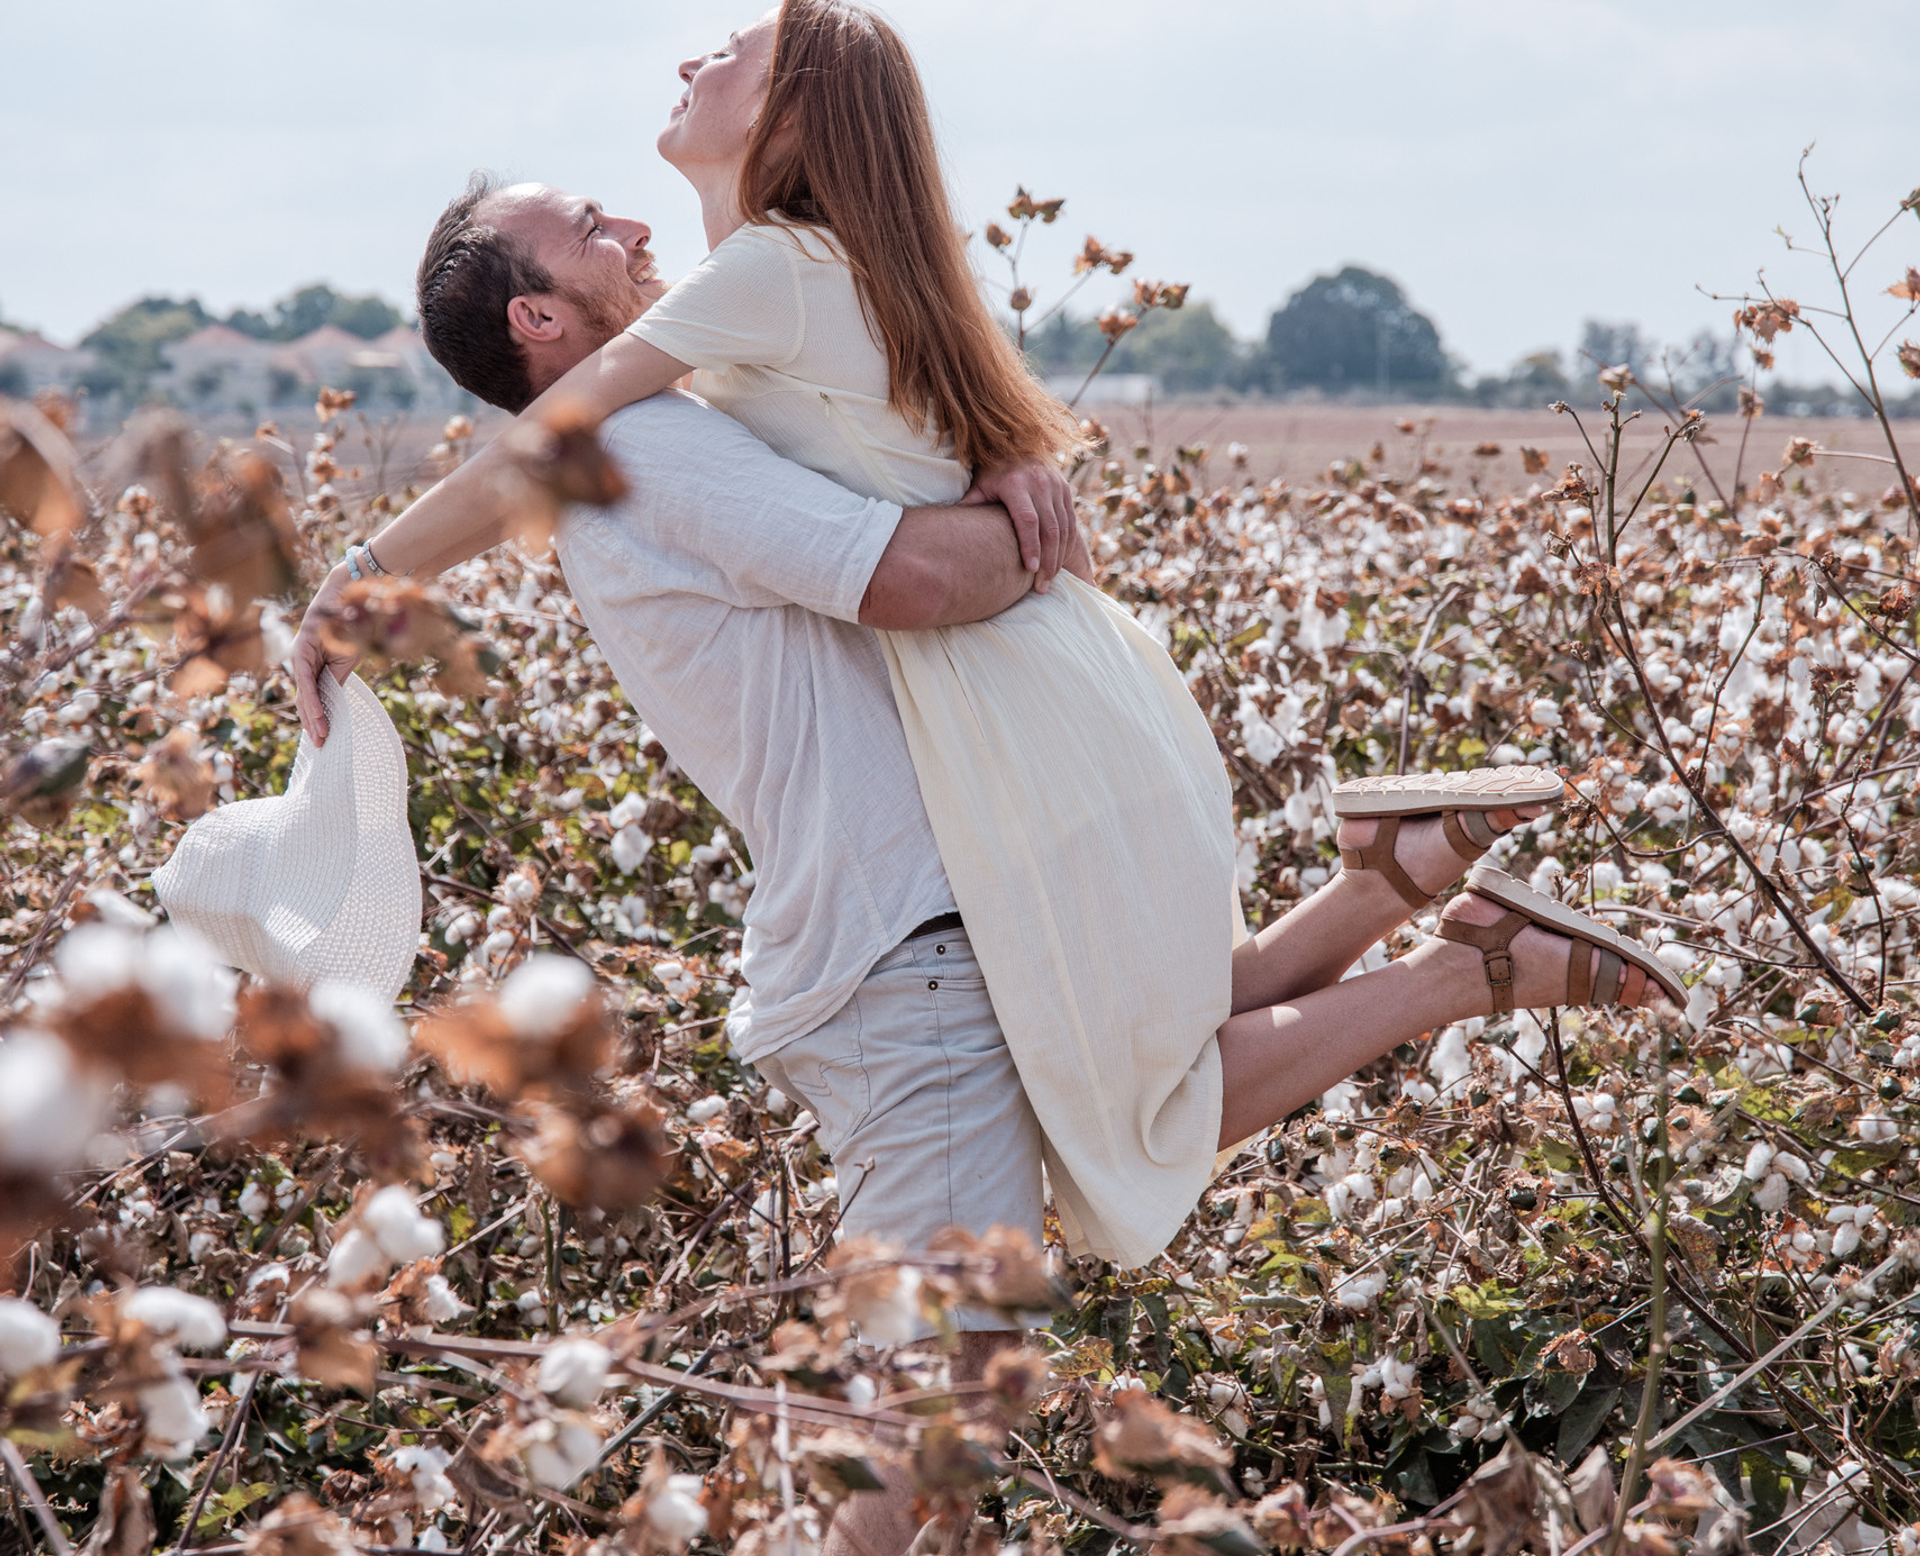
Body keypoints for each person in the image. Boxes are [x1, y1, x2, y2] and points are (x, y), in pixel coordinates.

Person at [292, 197, 1681, 1556]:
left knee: (1024, 1234)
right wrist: (1024, 519)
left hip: (922, 902)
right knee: (940, 1379)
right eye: (587, 226)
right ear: (538, 316)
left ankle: (1428, 921)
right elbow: (905, 576)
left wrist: (1001, 470)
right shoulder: (650, 446)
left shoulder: (667, 423)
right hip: (904, 939)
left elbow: (874, 487)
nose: (632, 226)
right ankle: (1438, 935)